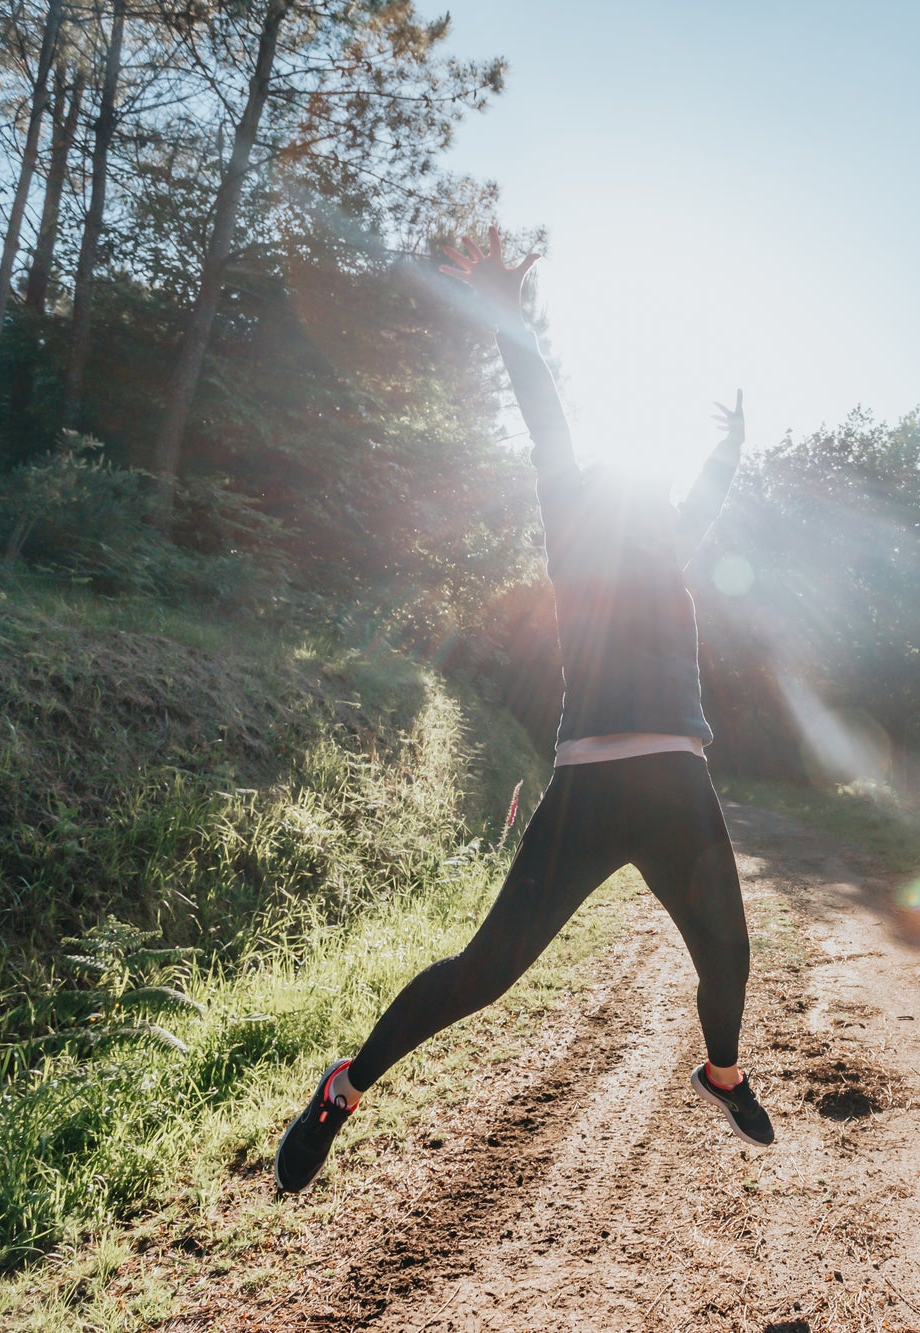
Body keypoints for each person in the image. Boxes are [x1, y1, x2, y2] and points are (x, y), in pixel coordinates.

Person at [274, 227, 773, 1195]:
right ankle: (344, 1085)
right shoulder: (571, 519)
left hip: (676, 777)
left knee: (729, 957)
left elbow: (703, 496)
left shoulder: (671, 549)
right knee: (486, 970)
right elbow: (543, 411)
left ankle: (722, 1073)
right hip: (589, 784)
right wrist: (507, 306)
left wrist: (732, 444)